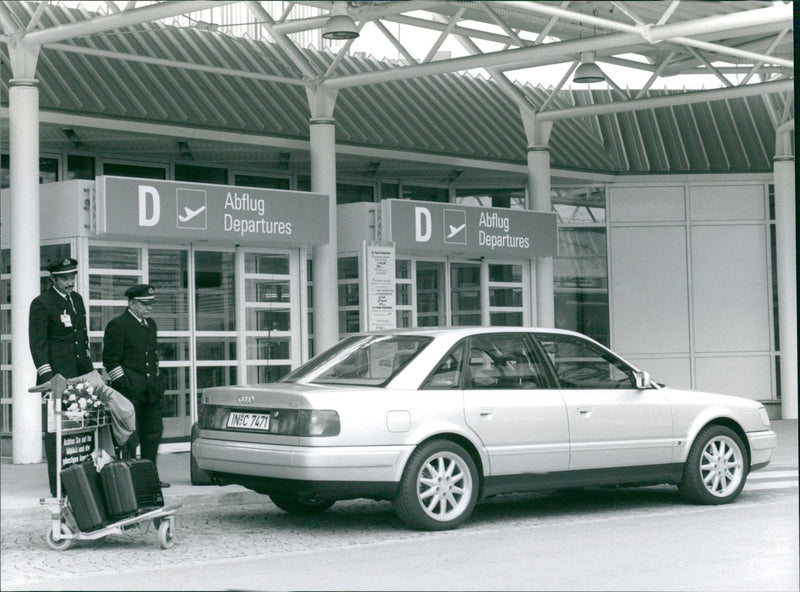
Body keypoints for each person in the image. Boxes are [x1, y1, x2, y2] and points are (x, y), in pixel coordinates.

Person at [28, 257, 95, 497]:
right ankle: (59, 488)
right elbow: (38, 345)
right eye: (65, 278)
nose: (70, 282)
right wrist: (49, 378)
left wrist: (91, 373)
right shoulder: (42, 304)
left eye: (72, 277)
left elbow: (82, 340)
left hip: (80, 379)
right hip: (57, 379)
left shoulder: (76, 300)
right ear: (53, 279)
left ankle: (81, 483)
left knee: (80, 432)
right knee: (58, 434)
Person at [103, 284, 170, 487]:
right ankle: (130, 481)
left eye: (151, 305)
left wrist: (158, 383)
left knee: (153, 433)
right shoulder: (118, 325)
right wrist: (124, 385)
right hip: (130, 392)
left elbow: (151, 357)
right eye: (144, 304)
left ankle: (150, 477)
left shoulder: (150, 325)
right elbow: (111, 360)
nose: (149, 309)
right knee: (130, 438)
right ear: (132, 304)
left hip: (151, 391)